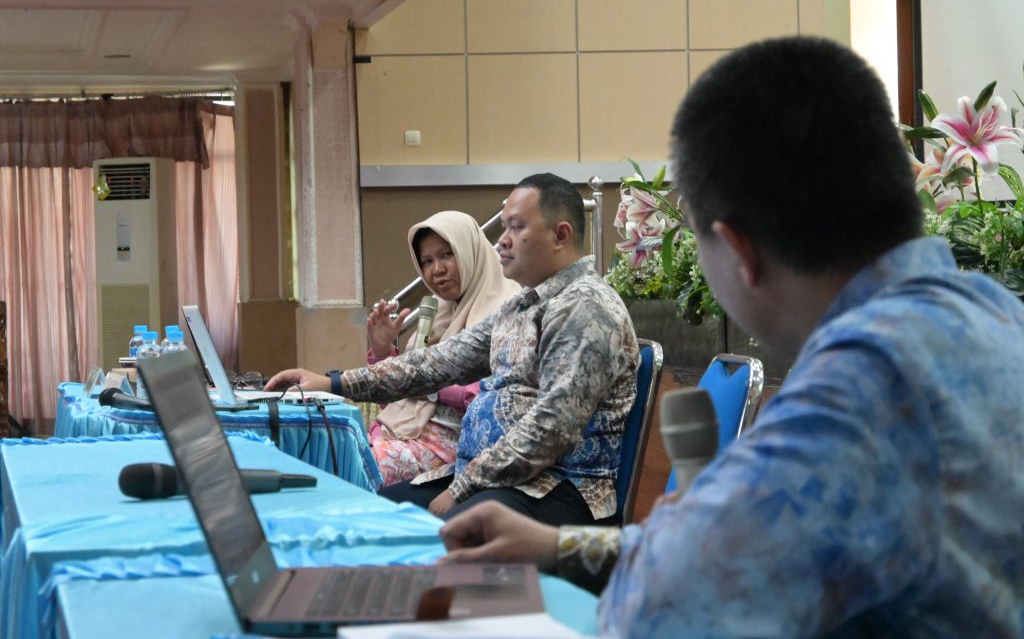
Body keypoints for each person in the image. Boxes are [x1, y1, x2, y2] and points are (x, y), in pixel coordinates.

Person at [438, 37, 1024, 637]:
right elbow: (736, 541)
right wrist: (558, 545)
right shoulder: (1000, 316)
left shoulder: (853, 400)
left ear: (739, 250)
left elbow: (652, 616)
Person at [266, 174, 639, 527]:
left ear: (560, 235)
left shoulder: (585, 308)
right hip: (500, 479)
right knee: (371, 508)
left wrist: (461, 488)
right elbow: (436, 363)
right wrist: (332, 383)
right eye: (504, 227)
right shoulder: (523, 306)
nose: (501, 241)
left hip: (558, 489)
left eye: (516, 227)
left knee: (438, 531)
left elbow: (552, 430)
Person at [364, 211, 520, 486]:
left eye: (447, 255)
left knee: (353, 467)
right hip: (402, 438)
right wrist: (382, 351)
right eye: (427, 261)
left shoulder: (507, 309)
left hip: (459, 452)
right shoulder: (438, 316)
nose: (437, 270)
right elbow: (400, 403)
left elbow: (495, 399)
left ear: (470, 250)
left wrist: (430, 386)